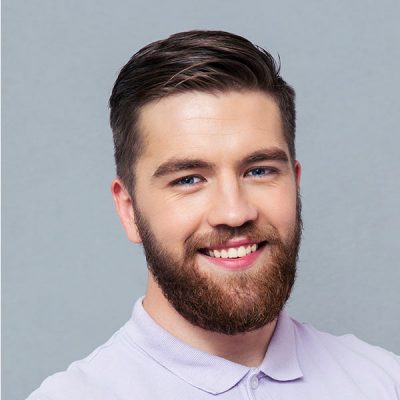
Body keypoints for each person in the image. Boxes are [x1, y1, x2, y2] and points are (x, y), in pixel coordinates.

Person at [27, 30, 400, 400]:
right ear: (129, 211)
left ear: (295, 182)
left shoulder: (384, 382)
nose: (234, 213)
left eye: (259, 171)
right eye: (189, 179)